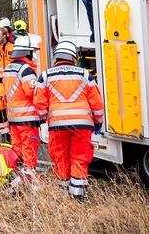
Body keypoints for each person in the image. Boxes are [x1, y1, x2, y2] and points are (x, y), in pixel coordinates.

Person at [35, 40, 105, 201]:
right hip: (83, 125)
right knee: (80, 158)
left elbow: (40, 104)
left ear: (56, 57)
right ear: (74, 57)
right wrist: (98, 122)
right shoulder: (84, 74)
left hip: (57, 126)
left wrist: (46, 118)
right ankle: (77, 197)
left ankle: (63, 196)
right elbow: (97, 102)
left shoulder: (45, 75)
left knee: (60, 158)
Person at [2, 36, 41, 170]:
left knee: (16, 150)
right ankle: (28, 179)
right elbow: (32, 93)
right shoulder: (26, 70)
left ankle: (16, 177)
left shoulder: (8, 68)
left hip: (14, 118)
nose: (34, 54)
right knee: (29, 149)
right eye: (33, 51)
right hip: (27, 118)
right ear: (27, 52)